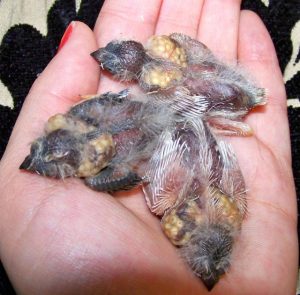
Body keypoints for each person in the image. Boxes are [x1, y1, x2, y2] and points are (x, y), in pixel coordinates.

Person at [0, 1, 298, 294]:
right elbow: (136, 166)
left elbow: (135, 159)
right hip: (175, 125)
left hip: (181, 120)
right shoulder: (183, 192)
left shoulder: (95, 126)